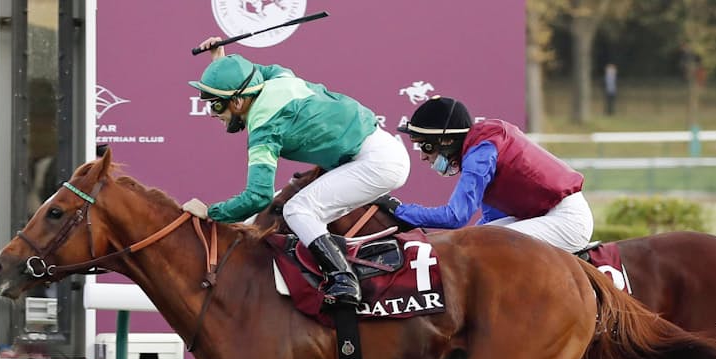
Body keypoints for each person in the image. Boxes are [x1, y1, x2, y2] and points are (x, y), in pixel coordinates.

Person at [182, 39, 410, 306]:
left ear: (240, 102)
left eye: (217, 105)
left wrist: (212, 213)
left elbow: (258, 196)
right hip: (376, 154)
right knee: (301, 213)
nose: (212, 113)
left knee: (296, 210)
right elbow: (254, 72)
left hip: (376, 163)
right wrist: (221, 62)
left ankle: (344, 281)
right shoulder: (279, 77)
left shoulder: (265, 127)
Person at [390, 96, 594, 254]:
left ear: (445, 141)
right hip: (546, 215)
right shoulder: (479, 149)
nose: (423, 157)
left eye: (424, 146)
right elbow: (489, 220)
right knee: (468, 244)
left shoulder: (481, 152)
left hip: (566, 221)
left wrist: (399, 211)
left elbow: (455, 217)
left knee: (485, 247)